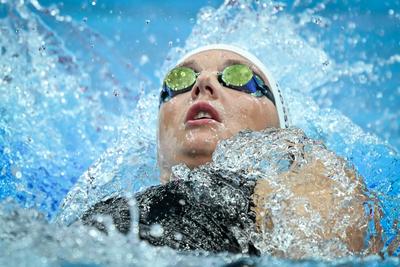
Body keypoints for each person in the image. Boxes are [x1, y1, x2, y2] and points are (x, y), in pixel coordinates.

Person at [80, 44, 396, 258]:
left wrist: (305, 160)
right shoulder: (108, 209)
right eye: (178, 81)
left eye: (239, 78)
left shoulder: (298, 194)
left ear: (282, 133)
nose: (203, 82)